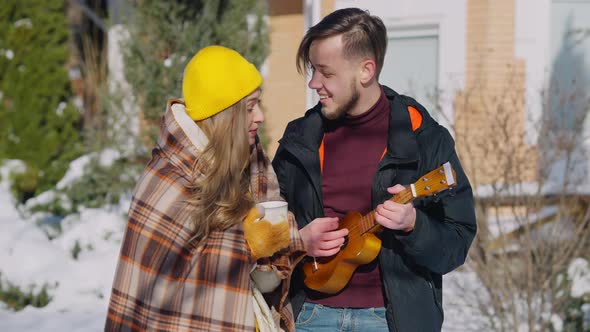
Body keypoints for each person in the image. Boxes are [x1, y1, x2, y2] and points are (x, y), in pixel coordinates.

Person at [272, 8, 477, 332]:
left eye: (326, 72)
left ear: (366, 70)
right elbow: (262, 226)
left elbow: (456, 244)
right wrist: (297, 241)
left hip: (391, 321)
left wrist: (415, 225)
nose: (314, 83)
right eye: (313, 70)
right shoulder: (299, 140)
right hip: (310, 315)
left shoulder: (425, 139)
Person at [106, 45, 306, 332]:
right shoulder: (169, 180)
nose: (260, 116)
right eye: (250, 107)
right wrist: (249, 245)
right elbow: (142, 293)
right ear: (224, 115)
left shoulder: (251, 166)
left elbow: (266, 264)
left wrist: (280, 246)